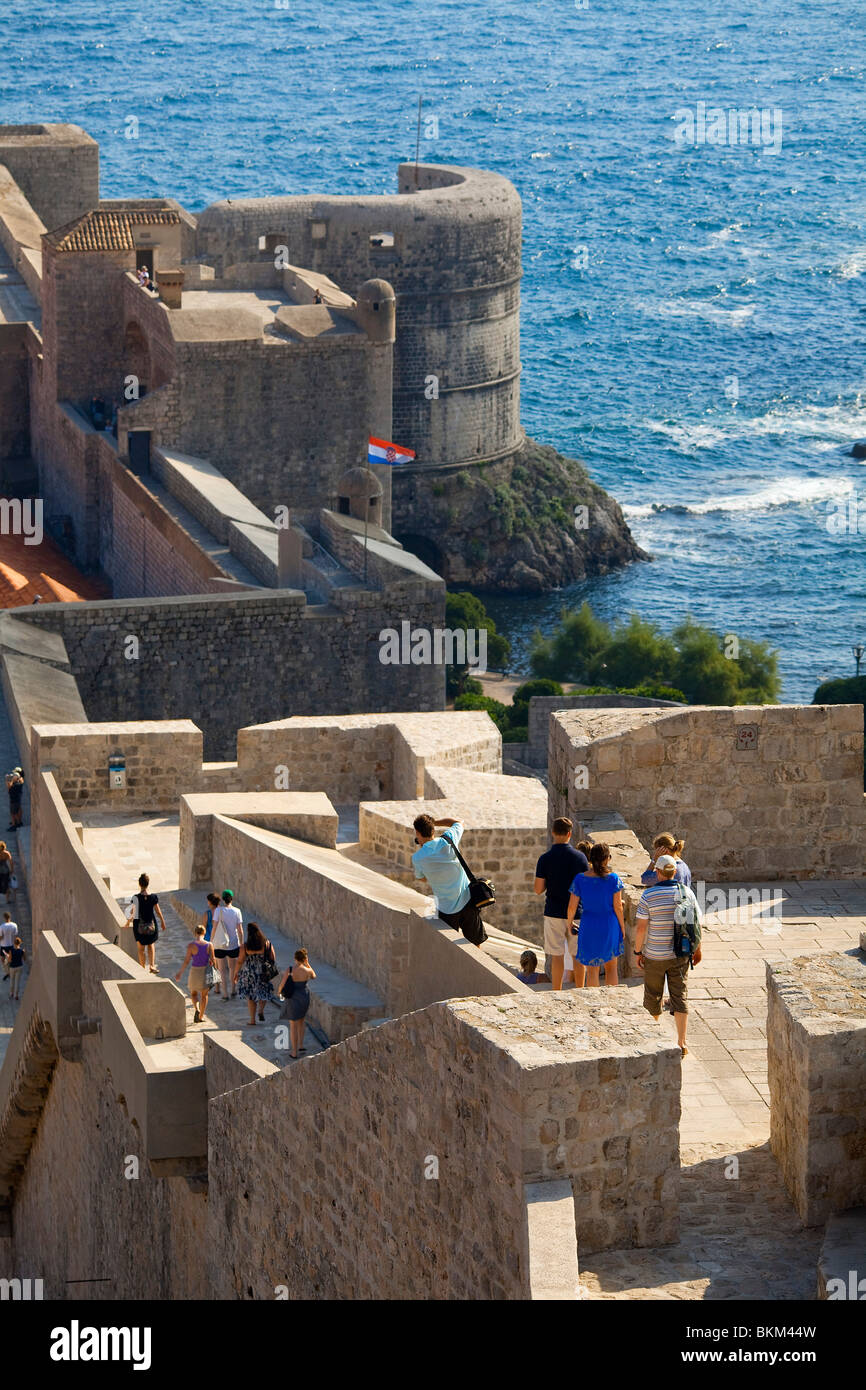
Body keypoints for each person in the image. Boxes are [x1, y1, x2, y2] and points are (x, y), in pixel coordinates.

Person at [634, 854, 703, 1057]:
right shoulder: (686, 893)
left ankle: (655, 1040)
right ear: (674, 872)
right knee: (679, 996)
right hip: (680, 953)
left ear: (657, 872)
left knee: (653, 996)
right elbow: (697, 924)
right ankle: (682, 1042)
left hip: (655, 954)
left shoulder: (648, 896)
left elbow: (641, 929)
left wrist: (638, 952)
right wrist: (697, 948)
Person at [411, 814, 487, 947]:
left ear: (418, 833)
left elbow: (422, 878)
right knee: (475, 945)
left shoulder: (418, 858)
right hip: (467, 900)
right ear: (433, 830)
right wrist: (435, 822)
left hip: (446, 909)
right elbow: (459, 821)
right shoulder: (449, 839)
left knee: (448, 947)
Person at [534, 817, 589, 990]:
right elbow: (586, 887)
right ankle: (580, 990)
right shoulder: (580, 858)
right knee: (577, 955)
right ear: (569, 834)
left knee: (557, 955)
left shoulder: (545, 859)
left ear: (552, 833)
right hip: (577, 914)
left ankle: (556, 991)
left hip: (553, 912)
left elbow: (538, 889)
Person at [565, 842, 624, 989]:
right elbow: (618, 907)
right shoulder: (613, 879)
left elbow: (572, 906)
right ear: (607, 859)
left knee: (592, 969)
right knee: (611, 966)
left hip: (589, 924)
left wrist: (570, 923)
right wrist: (622, 927)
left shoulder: (580, 879)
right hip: (609, 924)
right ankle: (613, 1000)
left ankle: (595, 1004)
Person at [124, 873, 167, 973]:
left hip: (139, 926)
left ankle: (142, 968)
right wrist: (162, 922)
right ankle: (152, 965)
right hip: (151, 925)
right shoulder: (153, 897)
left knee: (141, 948)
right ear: (148, 884)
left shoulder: (136, 898)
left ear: (140, 884)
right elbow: (158, 911)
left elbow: (133, 912)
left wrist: (128, 922)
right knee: (151, 945)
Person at [235, 922, 276, 1026]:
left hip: (250, 974)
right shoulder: (267, 944)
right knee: (263, 993)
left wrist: (236, 973)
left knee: (251, 997)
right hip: (263, 973)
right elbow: (272, 958)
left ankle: (252, 1020)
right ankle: (261, 1011)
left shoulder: (245, 946)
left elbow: (240, 961)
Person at [278, 948, 316, 1058]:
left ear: (295, 958)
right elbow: (314, 976)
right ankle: (301, 1045)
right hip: (304, 997)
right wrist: (307, 964)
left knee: (293, 1025)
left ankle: (294, 1052)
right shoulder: (307, 971)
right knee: (302, 1021)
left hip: (293, 999)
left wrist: (279, 993)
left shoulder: (290, 970)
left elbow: (282, 984)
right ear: (304, 959)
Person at [175, 925, 215, 1023]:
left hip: (195, 971)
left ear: (195, 933)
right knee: (204, 995)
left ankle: (197, 1009)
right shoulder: (209, 945)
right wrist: (215, 973)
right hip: (205, 971)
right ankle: (201, 1016)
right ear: (204, 933)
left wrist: (180, 973)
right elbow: (213, 960)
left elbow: (186, 961)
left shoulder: (191, 945)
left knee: (193, 994)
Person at [211, 889, 243, 999]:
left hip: (220, 944)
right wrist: (242, 944)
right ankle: (233, 990)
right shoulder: (237, 911)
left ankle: (225, 994)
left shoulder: (218, 911)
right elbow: (240, 930)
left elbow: (214, 928)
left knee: (222, 970)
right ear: (232, 898)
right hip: (233, 944)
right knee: (232, 968)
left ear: (223, 899)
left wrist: (211, 942)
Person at [202, 892, 221, 994]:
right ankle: (218, 988)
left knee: (210, 965)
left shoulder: (207, 914)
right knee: (217, 964)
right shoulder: (222, 912)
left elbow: (203, 928)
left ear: (210, 901)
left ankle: (209, 986)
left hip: (209, 941)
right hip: (220, 941)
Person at [0, 911, 18, 979]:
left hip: (4, 946)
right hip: (11, 945)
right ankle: (11, 972)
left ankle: (8, 972)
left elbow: (1, 937)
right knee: (10, 959)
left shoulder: (2, 926)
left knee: (2, 960)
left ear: (4, 918)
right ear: (10, 917)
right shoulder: (14, 925)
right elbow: (16, 936)